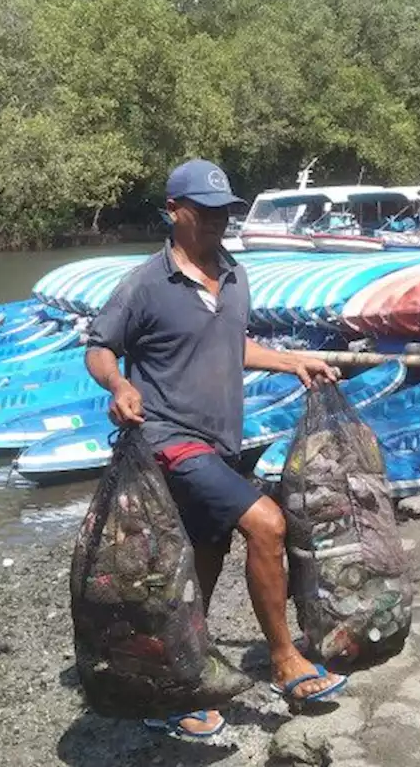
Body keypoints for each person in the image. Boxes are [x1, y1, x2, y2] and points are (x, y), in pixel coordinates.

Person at [84, 159, 348, 741]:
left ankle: (180, 675)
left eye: (224, 213)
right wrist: (120, 384)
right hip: (167, 441)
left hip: (220, 441)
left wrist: (293, 360)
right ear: (174, 211)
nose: (216, 224)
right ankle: (285, 662)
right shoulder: (146, 283)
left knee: (202, 558)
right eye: (204, 214)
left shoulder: (234, 274)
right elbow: (100, 347)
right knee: (267, 523)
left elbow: (235, 345)